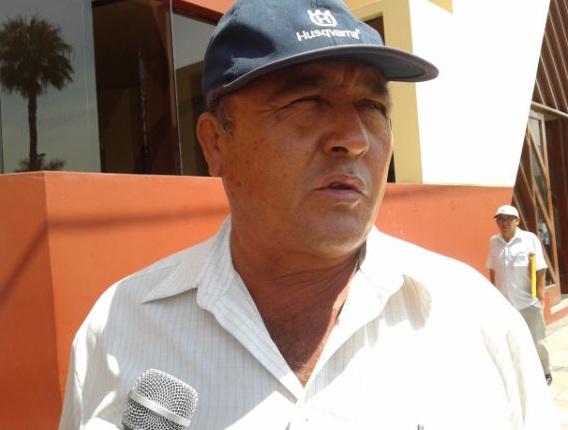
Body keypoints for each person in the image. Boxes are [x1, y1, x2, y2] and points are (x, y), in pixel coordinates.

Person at [59, 0, 560, 428]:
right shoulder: (121, 328)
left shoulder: (474, 319)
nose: (354, 139)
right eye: (306, 101)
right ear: (215, 143)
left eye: (372, 106)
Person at [486, 204, 553, 386]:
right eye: (500, 219)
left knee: (537, 340)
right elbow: (492, 269)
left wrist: (539, 296)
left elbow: (540, 269)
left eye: (507, 219)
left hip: (528, 302)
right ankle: (517, 373)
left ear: (517, 221)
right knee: (509, 340)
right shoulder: (494, 242)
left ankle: (545, 371)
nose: (503, 223)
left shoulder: (529, 239)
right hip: (505, 304)